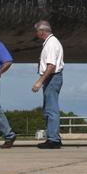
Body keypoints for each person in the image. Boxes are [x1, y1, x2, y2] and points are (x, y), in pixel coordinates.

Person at [30, 20, 64, 149]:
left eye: (37, 32)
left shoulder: (51, 44)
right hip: (52, 78)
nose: (37, 34)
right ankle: (54, 136)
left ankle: (53, 140)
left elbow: (51, 66)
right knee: (49, 108)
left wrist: (40, 81)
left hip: (52, 77)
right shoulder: (51, 42)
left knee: (51, 109)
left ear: (42, 32)